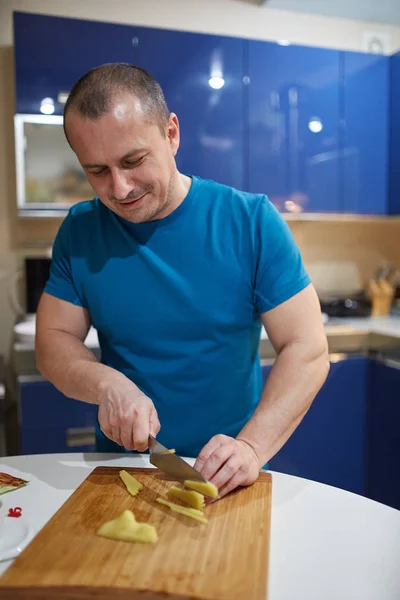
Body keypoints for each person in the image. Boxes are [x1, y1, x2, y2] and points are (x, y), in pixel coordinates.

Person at [36, 63, 329, 500]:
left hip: (230, 473)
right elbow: (53, 341)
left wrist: (251, 446)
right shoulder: (80, 231)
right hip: (124, 468)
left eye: (133, 161)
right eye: (97, 171)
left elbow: (307, 348)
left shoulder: (250, 221)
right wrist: (106, 383)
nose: (119, 188)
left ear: (171, 133)